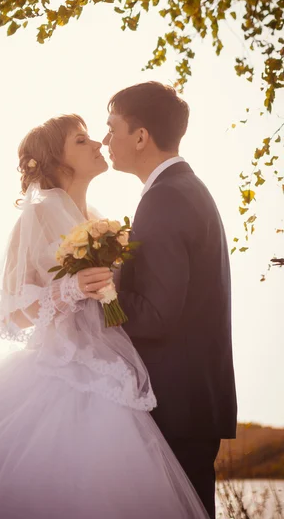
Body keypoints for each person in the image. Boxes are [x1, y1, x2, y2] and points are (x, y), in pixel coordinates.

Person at [0, 114, 209, 519]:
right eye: (81, 140)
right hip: (58, 372)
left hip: (111, 374)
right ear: (57, 162)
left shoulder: (100, 219)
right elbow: (12, 312)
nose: (97, 144)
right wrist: (69, 289)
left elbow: (116, 302)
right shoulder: (35, 217)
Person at [99, 82, 237, 518]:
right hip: (192, 402)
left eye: (111, 128)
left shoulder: (164, 199)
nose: (105, 141)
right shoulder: (185, 189)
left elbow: (156, 316)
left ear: (140, 136)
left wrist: (102, 298)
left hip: (175, 407)